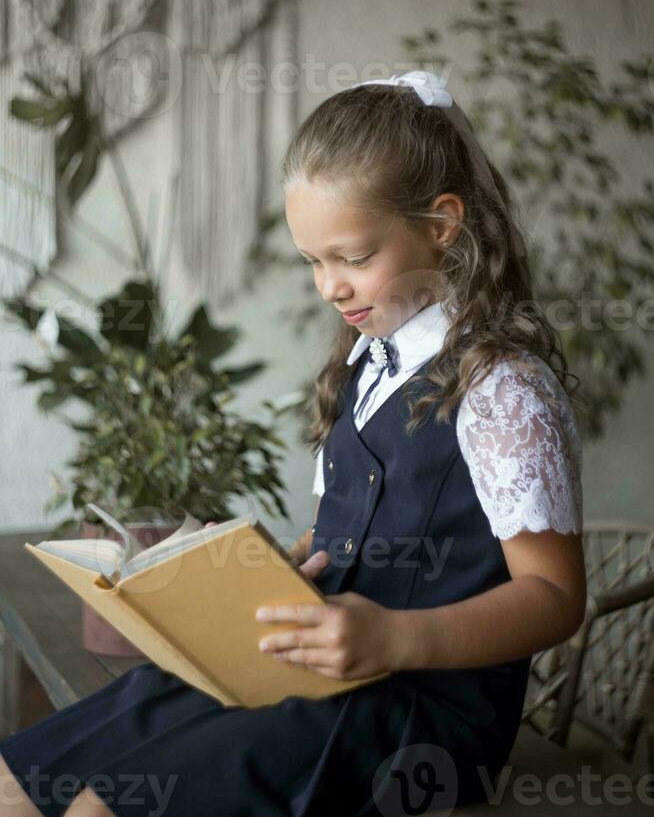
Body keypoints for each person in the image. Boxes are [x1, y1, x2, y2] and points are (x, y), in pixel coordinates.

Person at [0, 70, 587, 817]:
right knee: (22, 779)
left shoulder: (503, 389)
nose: (329, 288)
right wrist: (258, 571)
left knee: (102, 806)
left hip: (418, 716)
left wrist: (396, 638)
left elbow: (556, 599)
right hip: (319, 668)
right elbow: (347, 532)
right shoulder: (368, 363)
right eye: (314, 261)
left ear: (442, 225)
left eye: (352, 257)